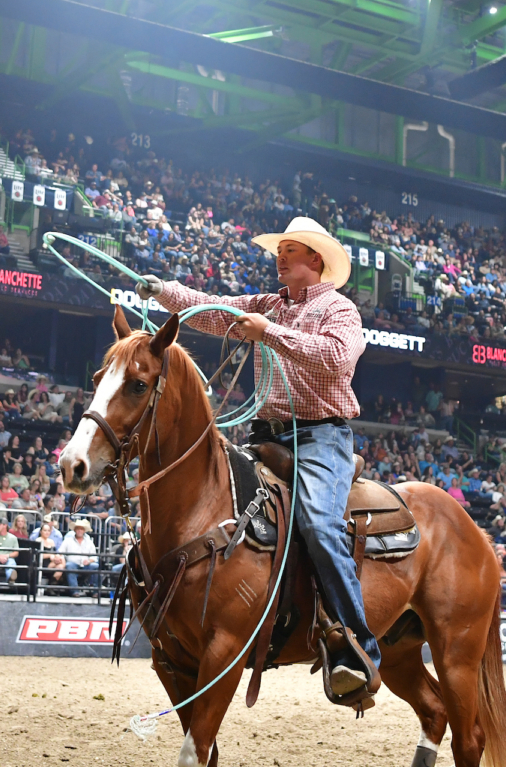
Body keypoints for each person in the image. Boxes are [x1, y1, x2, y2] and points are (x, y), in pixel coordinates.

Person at [137, 215, 379, 702]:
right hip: (265, 436)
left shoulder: (341, 311)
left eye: (289, 250)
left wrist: (268, 332)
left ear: (316, 259)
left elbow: (335, 359)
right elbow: (208, 311)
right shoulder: (266, 305)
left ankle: (359, 646)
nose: (279, 258)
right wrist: (163, 290)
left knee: (318, 524)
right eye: (278, 251)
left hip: (321, 437)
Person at [58, 518, 98, 596]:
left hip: (86, 565)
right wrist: (61, 559)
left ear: (84, 531)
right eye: (78, 529)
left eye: (81, 529)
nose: (79, 531)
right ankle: (75, 591)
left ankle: (95, 592)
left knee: (95, 566)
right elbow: (60, 552)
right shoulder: (68, 541)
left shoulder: (89, 542)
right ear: (75, 530)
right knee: (69, 565)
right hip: (73, 564)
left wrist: (89, 561)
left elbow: (94, 557)